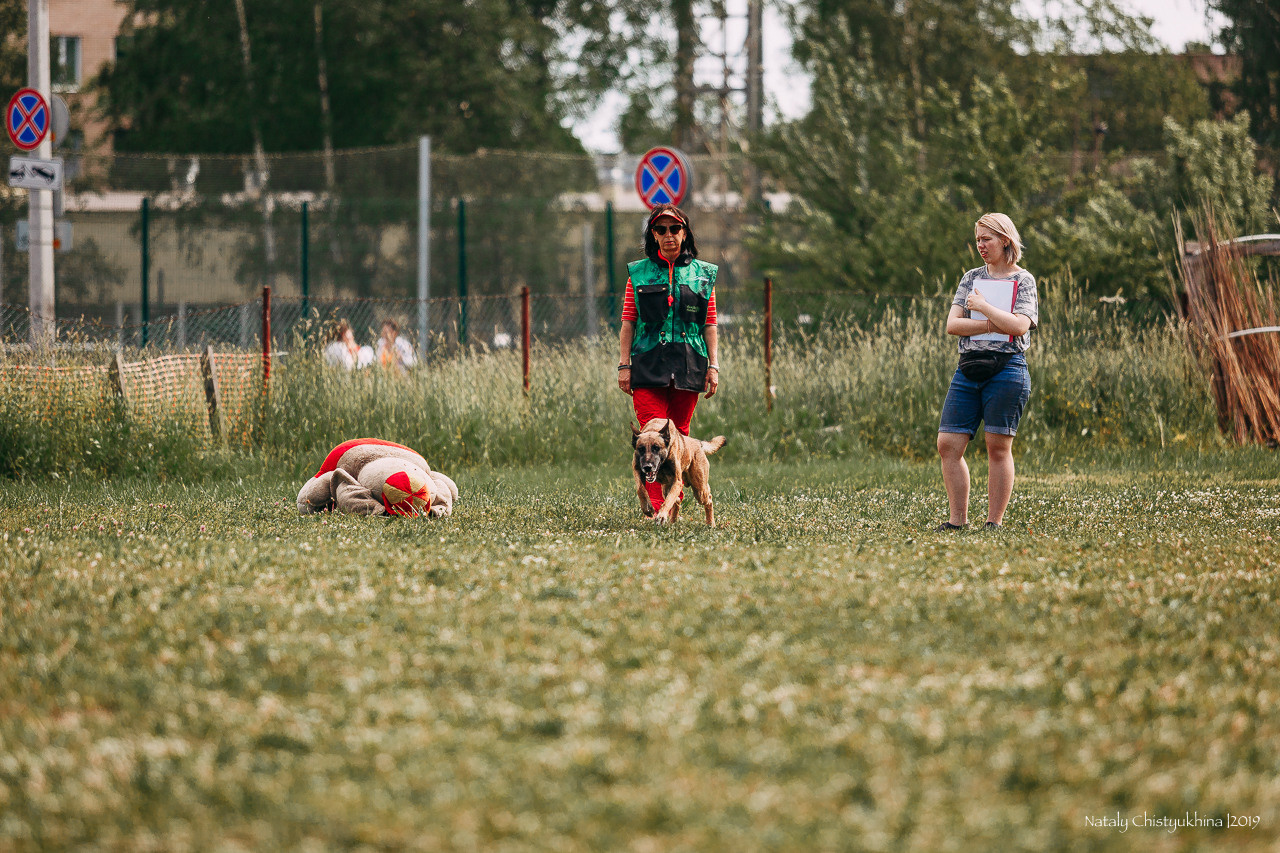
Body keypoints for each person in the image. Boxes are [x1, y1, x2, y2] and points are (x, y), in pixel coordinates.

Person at [935, 212, 1039, 532]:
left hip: (1007, 369)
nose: (980, 245)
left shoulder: (1023, 280)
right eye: (977, 239)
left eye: (986, 239)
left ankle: (994, 522)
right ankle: (957, 521)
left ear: (1005, 240)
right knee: (948, 444)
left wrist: (982, 309)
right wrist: (994, 324)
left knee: (997, 447)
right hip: (968, 369)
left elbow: (1021, 325)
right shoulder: (971, 278)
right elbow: (953, 325)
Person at [618, 203, 719, 517]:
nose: (668, 235)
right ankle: (657, 511)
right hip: (647, 367)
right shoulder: (639, 273)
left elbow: (710, 323)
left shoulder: (704, 274)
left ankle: (672, 504)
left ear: (684, 233)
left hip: (690, 368)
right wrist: (624, 364)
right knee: (652, 436)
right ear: (653, 235)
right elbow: (628, 321)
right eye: (660, 230)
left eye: (674, 229)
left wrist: (713, 365)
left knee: (678, 440)